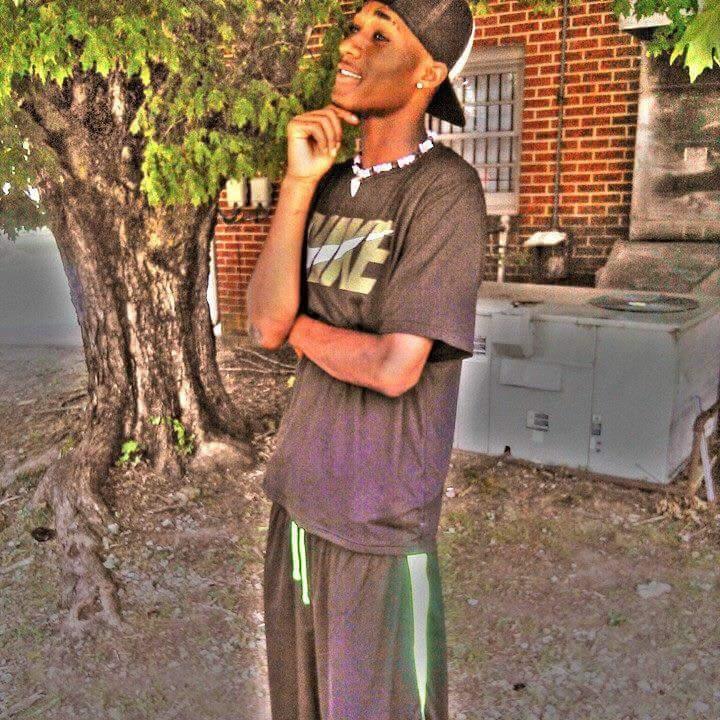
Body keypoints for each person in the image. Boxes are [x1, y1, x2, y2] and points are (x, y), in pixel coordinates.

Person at [247, 0, 487, 717]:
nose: (350, 45)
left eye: (380, 34)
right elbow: (261, 321)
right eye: (354, 28)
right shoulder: (324, 185)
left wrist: (297, 328)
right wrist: (297, 184)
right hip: (298, 505)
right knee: (302, 706)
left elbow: (393, 366)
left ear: (427, 75)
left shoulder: (445, 192)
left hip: (379, 523)